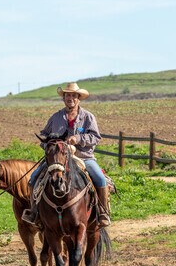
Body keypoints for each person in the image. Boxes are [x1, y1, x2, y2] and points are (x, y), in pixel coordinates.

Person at [22, 82, 111, 227]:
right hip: (57, 159)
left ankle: (103, 212)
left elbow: (96, 137)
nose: (70, 98)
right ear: (64, 98)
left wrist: (78, 138)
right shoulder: (55, 117)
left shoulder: (88, 117)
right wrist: (48, 145)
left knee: (100, 179)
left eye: (73, 96)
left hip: (83, 157)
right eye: (67, 95)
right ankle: (34, 212)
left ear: (78, 98)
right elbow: (44, 135)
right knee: (33, 179)